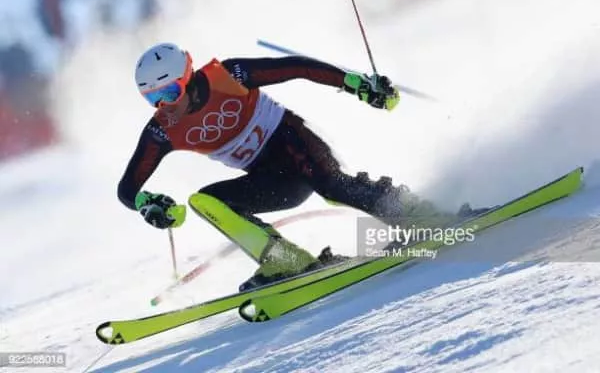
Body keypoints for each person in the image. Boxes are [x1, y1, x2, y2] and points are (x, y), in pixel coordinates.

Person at [117, 43, 474, 291]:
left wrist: (355, 83)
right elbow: (127, 188)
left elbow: (298, 67)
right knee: (204, 201)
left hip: (291, 141)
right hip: (272, 180)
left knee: (332, 187)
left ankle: (419, 215)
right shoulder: (162, 130)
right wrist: (148, 203)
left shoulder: (228, 75)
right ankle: (287, 261)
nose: (164, 106)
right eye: (152, 99)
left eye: (169, 93)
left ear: (188, 77)